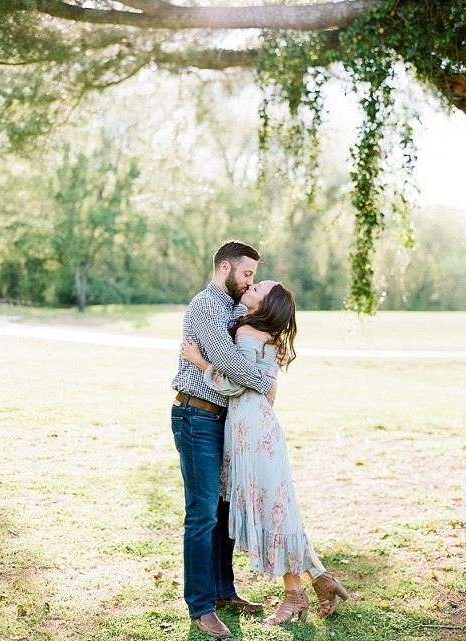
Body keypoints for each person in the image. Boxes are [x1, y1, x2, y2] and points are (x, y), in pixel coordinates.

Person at [181, 280, 350, 625]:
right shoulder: (268, 334)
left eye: (258, 287)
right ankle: (319, 579)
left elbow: (236, 382)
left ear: (264, 304)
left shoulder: (247, 332)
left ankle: (294, 596)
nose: (251, 286)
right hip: (261, 428)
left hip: (251, 431)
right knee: (278, 506)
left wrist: (199, 361)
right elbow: (263, 379)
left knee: (273, 510)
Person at [171, 241, 277, 639]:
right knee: (202, 514)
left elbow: (261, 330)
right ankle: (200, 607)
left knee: (223, 512)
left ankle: (223, 592)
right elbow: (230, 364)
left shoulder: (235, 308)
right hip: (195, 416)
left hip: (224, 421)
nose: (250, 281)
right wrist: (264, 380)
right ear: (225, 267)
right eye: (246, 274)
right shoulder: (206, 305)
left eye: (254, 277)